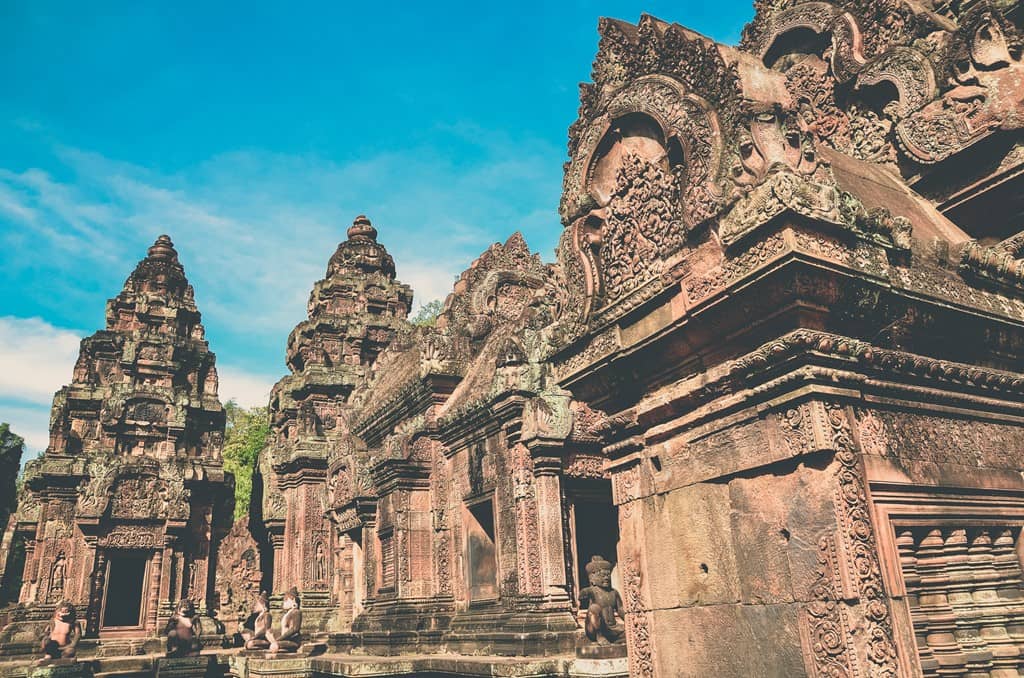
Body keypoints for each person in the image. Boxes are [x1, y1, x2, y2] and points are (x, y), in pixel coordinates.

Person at [578, 555, 625, 645]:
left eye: (608, 575)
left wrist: (629, 621)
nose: (606, 578)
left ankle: (614, 639)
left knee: (631, 633)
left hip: (612, 628)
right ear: (592, 578)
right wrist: (583, 592)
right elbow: (582, 595)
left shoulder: (614, 592)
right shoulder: (592, 591)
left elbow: (620, 609)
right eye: (602, 576)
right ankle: (600, 636)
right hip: (595, 629)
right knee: (594, 608)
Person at [267, 587, 302, 653]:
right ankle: (279, 646)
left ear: (293, 600)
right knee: (268, 632)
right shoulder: (288, 613)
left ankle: (282, 647)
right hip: (284, 639)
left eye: (286, 600)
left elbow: (294, 630)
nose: (283, 603)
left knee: (274, 646)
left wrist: (280, 639)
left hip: (292, 640)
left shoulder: (296, 612)